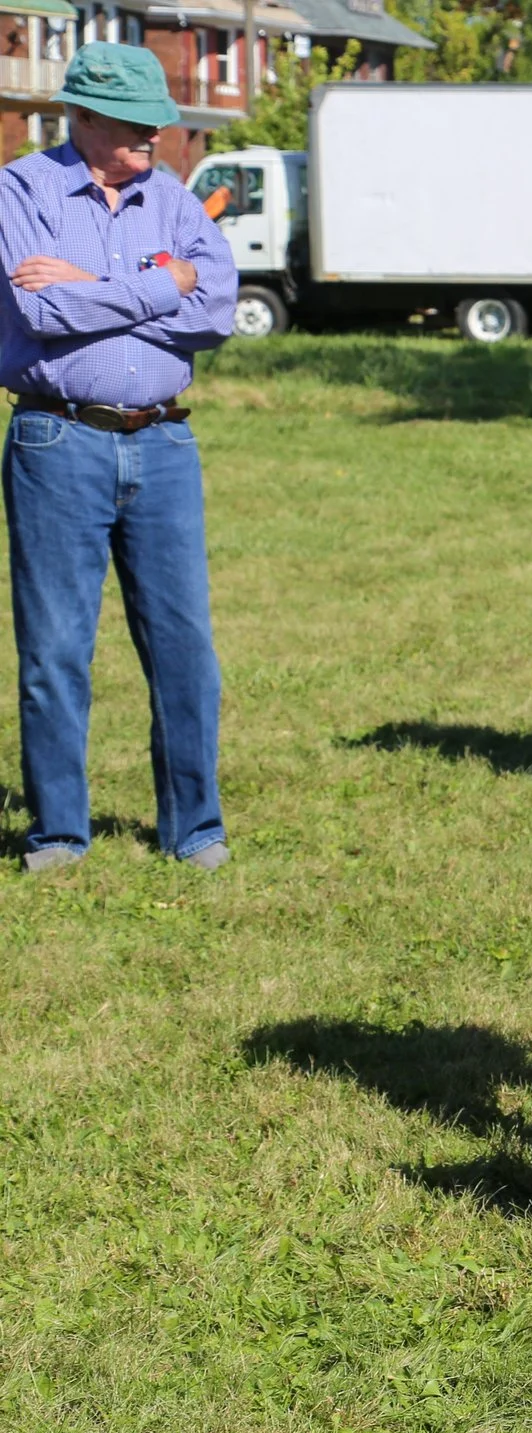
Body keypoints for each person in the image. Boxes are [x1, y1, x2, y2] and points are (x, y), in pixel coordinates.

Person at [1, 45, 237, 875]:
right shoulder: (21, 190)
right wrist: (157, 283)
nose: (154, 140)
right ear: (84, 118)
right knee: (55, 648)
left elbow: (218, 308)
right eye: (137, 127)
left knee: (184, 646)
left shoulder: (172, 198)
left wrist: (95, 285)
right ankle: (59, 834)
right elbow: (38, 305)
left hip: (166, 441)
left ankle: (194, 828)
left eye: (158, 126)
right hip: (57, 436)